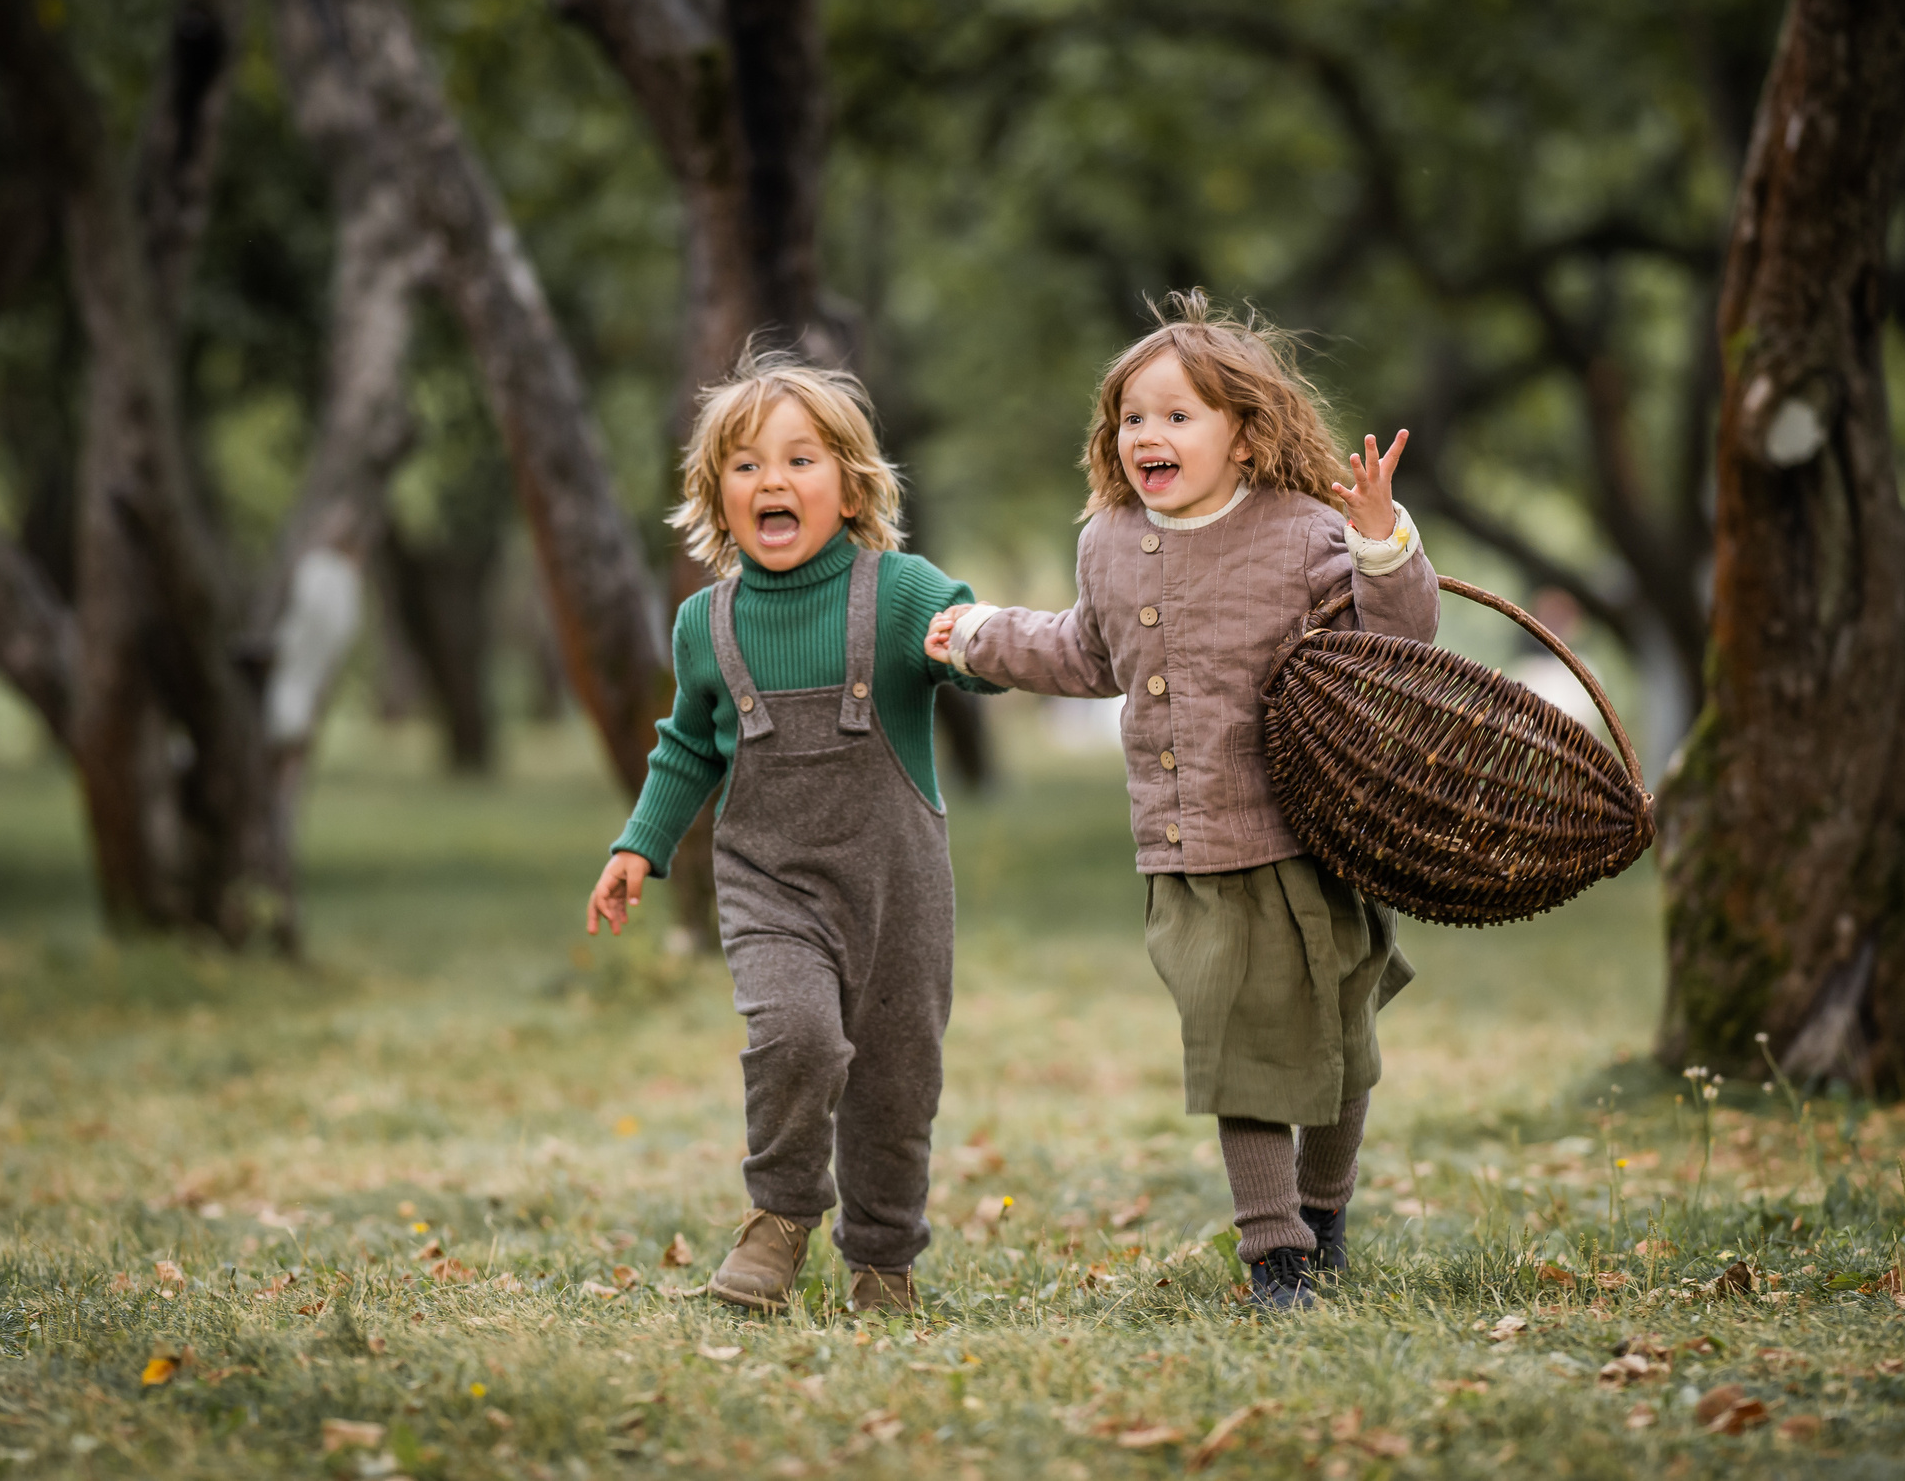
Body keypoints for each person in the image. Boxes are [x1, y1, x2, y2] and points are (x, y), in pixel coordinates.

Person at [926, 291, 1439, 1312]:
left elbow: (1399, 645)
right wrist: (977, 635)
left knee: (1341, 1045)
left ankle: (1324, 1212)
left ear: (1244, 437)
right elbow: (1084, 650)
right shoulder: (1109, 541)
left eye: (1176, 415)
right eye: (1130, 418)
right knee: (1237, 1053)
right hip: (1192, 849)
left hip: (1311, 837)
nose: (1145, 435)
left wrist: (1382, 542)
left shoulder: (1303, 532)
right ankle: (1275, 1255)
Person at [587, 355, 999, 1315]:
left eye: (799, 459)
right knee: (796, 1037)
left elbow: (974, 651)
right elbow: (688, 744)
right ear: (714, 496)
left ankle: (884, 1263)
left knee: (898, 1087)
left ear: (851, 486)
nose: (771, 480)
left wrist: (974, 641)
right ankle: (777, 1220)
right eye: (743, 465)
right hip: (770, 884)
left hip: (898, 892)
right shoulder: (705, 622)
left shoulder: (898, 590)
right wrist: (638, 845)